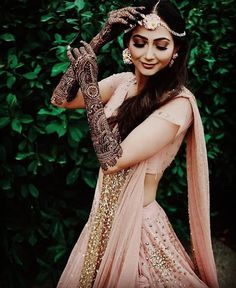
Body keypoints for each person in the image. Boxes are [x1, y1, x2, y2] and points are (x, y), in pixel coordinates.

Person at [51, 0, 219, 287]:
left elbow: (112, 160)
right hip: (101, 222)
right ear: (127, 44)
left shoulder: (179, 104)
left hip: (138, 230)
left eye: (161, 45)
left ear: (176, 50)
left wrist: (91, 83)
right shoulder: (123, 83)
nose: (149, 54)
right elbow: (60, 99)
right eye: (140, 42)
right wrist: (101, 36)